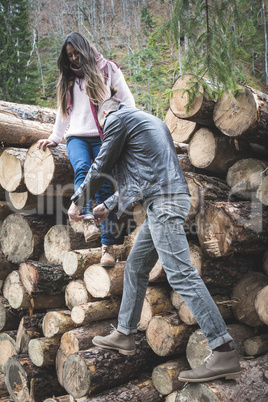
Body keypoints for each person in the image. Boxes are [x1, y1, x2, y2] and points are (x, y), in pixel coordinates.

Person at [68, 93, 241, 383]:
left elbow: (100, 165)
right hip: (164, 198)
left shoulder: (116, 119)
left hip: (164, 202)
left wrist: (78, 201)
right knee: (136, 266)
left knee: (181, 274)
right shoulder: (148, 122)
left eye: (101, 122)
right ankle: (125, 333)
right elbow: (141, 180)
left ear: (104, 114)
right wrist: (106, 206)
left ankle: (223, 349)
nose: (102, 128)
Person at [37, 32, 135, 267]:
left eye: (76, 54)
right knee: (82, 168)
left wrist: (128, 129)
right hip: (76, 137)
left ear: (85, 49)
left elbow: (127, 101)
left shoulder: (108, 70)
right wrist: (54, 137)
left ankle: (107, 247)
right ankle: (88, 220)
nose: (74, 59)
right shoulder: (68, 78)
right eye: (69, 56)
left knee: (101, 185)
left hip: (103, 136)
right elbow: (63, 112)